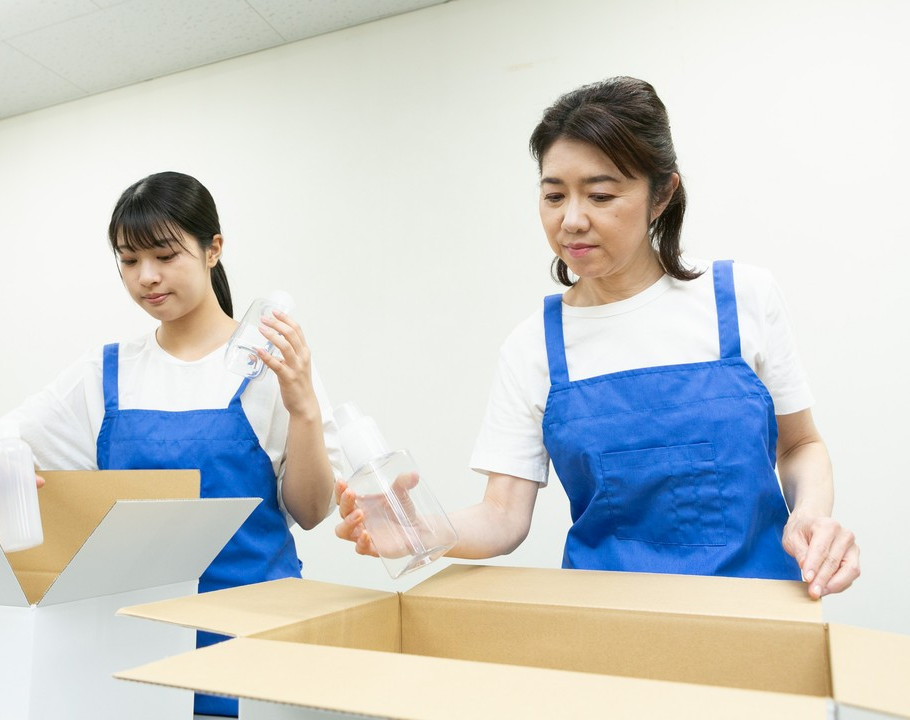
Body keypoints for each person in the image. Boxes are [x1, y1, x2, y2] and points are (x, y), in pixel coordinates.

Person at [336, 77, 860, 598]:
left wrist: (810, 516)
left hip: (758, 606)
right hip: (605, 621)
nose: (571, 220)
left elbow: (801, 444)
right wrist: (417, 531)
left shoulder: (743, 297)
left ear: (661, 194)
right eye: (553, 195)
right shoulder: (533, 347)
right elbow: (502, 516)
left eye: (601, 195)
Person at [0, 171, 343, 717]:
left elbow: (310, 510)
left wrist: (303, 408)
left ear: (213, 249)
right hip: (138, 654)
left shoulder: (271, 366)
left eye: (165, 256)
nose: (147, 277)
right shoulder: (105, 373)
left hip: (256, 644)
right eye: (129, 260)